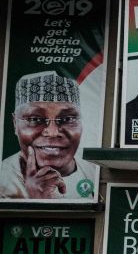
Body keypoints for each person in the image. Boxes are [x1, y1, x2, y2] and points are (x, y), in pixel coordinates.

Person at [0, 71, 96, 199]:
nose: (52, 132)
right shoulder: (4, 183)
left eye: (67, 119)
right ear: (15, 123)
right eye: (35, 119)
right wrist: (37, 200)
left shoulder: (93, 170)